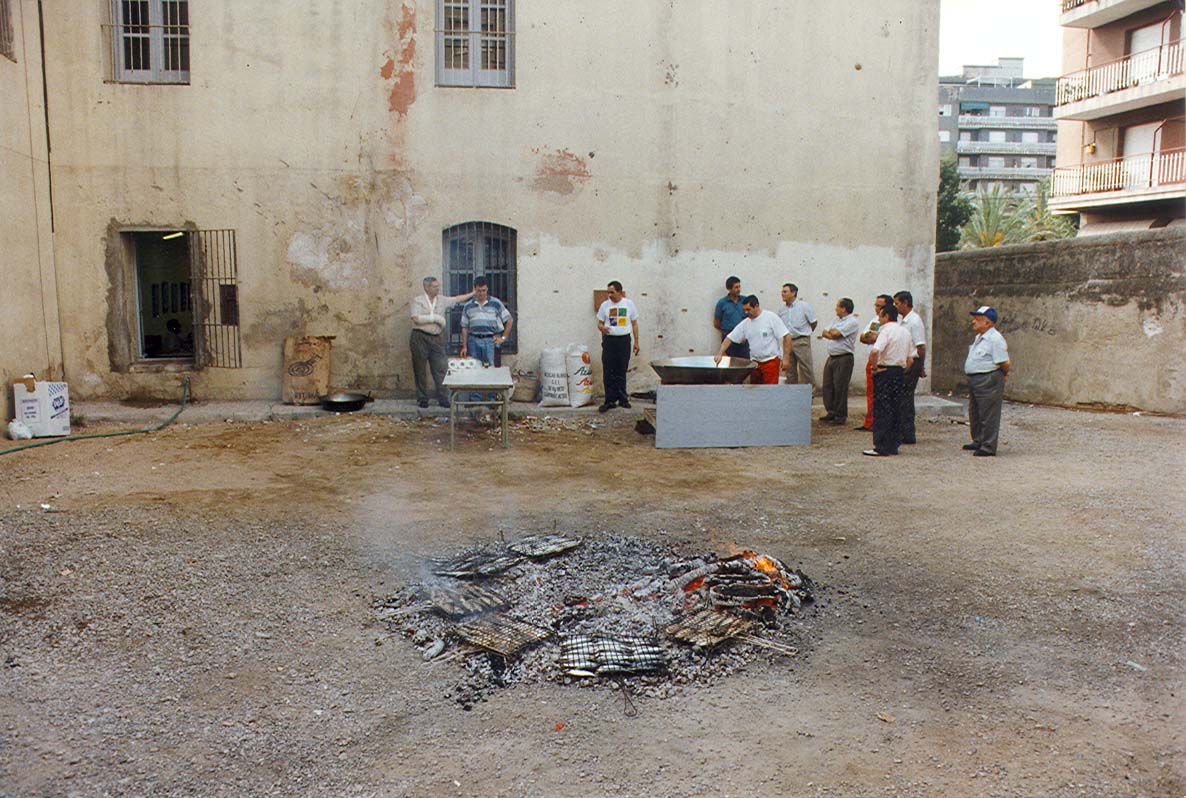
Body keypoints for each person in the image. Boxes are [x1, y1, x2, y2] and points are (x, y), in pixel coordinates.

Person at [409, 276, 474, 408]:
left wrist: (472, 293)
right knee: (420, 369)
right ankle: (422, 399)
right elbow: (416, 319)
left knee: (441, 368)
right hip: (420, 337)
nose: (438, 288)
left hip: (437, 337)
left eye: (438, 286)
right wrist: (435, 318)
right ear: (426, 287)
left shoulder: (442, 300)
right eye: (434, 286)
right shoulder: (418, 301)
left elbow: (457, 299)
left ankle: (443, 398)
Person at [863, 303, 914, 457]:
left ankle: (881, 446)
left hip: (885, 371)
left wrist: (875, 368)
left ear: (885, 316)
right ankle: (893, 444)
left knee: (882, 409)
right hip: (899, 372)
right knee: (896, 408)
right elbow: (911, 358)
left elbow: (875, 351)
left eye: (880, 316)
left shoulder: (885, 331)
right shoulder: (905, 332)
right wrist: (901, 369)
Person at [963, 306, 1011, 457]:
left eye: (978, 320)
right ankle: (978, 440)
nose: (974, 322)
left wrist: (1002, 375)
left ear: (989, 323)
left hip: (988, 377)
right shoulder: (979, 337)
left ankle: (988, 445)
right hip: (975, 378)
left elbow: (1004, 362)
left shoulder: (995, 339)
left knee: (988, 413)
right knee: (976, 412)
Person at [714, 295, 790, 384]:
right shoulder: (745, 323)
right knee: (755, 392)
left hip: (771, 361)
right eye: (744, 310)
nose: (746, 312)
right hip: (755, 363)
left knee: (770, 392)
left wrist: (786, 358)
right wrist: (720, 353)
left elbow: (787, 336)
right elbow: (729, 338)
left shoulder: (770, 317)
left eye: (748, 309)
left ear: (756, 306)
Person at [596, 280, 641, 413]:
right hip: (609, 341)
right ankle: (609, 400)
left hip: (624, 341)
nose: (610, 295)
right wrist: (602, 328)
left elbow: (634, 323)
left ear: (620, 292)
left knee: (621, 369)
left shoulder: (629, 304)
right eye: (608, 292)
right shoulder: (605, 305)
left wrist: (637, 342)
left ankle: (623, 399)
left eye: (612, 292)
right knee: (609, 370)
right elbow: (599, 323)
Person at [817, 298, 860, 425]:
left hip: (844, 357)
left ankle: (840, 415)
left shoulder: (852, 322)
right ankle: (831, 411)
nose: (835, 308)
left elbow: (835, 334)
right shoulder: (836, 320)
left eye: (837, 306)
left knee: (840, 386)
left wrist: (832, 334)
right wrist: (832, 334)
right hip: (832, 356)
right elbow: (824, 332)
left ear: (844, 308)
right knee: (828, 385)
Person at [854, 294, 892, 431]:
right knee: (871, 392)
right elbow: (864, 337)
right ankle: (870, 421)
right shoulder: (875, 320)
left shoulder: (892, 322)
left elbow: (877, 338)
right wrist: (872, 337)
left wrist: (873, 337)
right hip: (872, 359)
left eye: (879, 306)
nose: (876, 309)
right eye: (875, 305)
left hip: (884, 360)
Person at [893, 290, 927, 445]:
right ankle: (903, 431)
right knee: (901, 398)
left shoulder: (914, 321)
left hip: (912, 361)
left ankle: (908, 433)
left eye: (897, 303)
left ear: (905, 303)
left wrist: (920, 365)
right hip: (905, 361)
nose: (896, 306)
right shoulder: (903, 320)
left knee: (906, 398)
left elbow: (920, 346)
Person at [459, 277, 513, 366]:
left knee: (491, 369)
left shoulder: (496, 303)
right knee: (475, 368)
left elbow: (509, 320)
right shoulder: (468, 306)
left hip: (490, 341)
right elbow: (464, 327)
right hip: (473, 341)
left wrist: (503, 338)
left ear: (487, 289)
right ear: (474, 289)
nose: (481, 293)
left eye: (484, 290)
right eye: (479, 291)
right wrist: (464, 346)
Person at [778, 283, 817, 388]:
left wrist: (805, 333)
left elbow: (813, 322)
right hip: (788, 341)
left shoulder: (804, 306)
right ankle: (792, 394)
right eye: (782, 291)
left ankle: (809, 393)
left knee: (806, 369)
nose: (782, 294)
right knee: (789, 370)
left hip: (801, 340)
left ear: (793, 293)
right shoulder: (782, 310)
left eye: (785, 292)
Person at [713, 276, 749, 360]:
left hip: (743, 337)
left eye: (739, 286)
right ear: (729, 289)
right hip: (728, 336)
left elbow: (750, 318)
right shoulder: (722, 303)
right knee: (730, 362)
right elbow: (716, 323)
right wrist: (728, 332)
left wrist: (745, 334)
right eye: (736, 287)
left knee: (745, 361)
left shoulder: (745, 301)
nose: (739, 289)